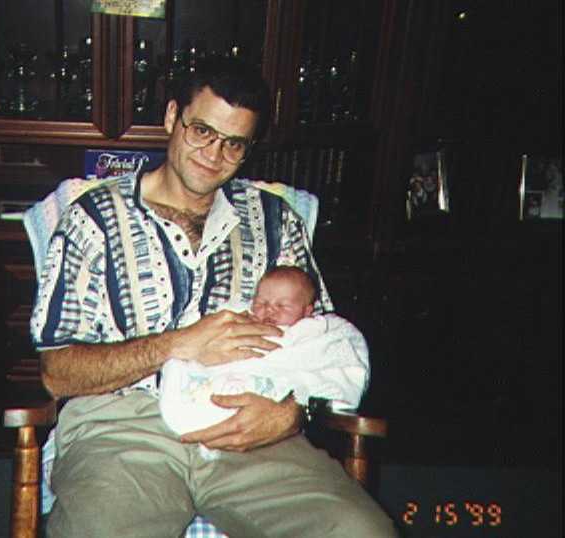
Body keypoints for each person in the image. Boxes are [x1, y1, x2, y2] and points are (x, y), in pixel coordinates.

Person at [31, 57, 396, 537]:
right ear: (172, 117)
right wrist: (177, 344)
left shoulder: (274, 220)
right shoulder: (95, 218)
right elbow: (58, 372)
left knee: (361, 531)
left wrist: (293, 413)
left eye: (233, 143)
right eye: (202, 131)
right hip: (121, 428)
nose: (214, 154)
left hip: (251, 429)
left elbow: (327, 344)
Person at [159, 266, 369, 445]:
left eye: (282, 305)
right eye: (261, 303)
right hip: (218, 385)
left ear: (307, 312)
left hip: (271, 406)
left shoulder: (312, 331)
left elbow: (336, 361)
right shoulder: (240, 318)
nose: (269, 310)